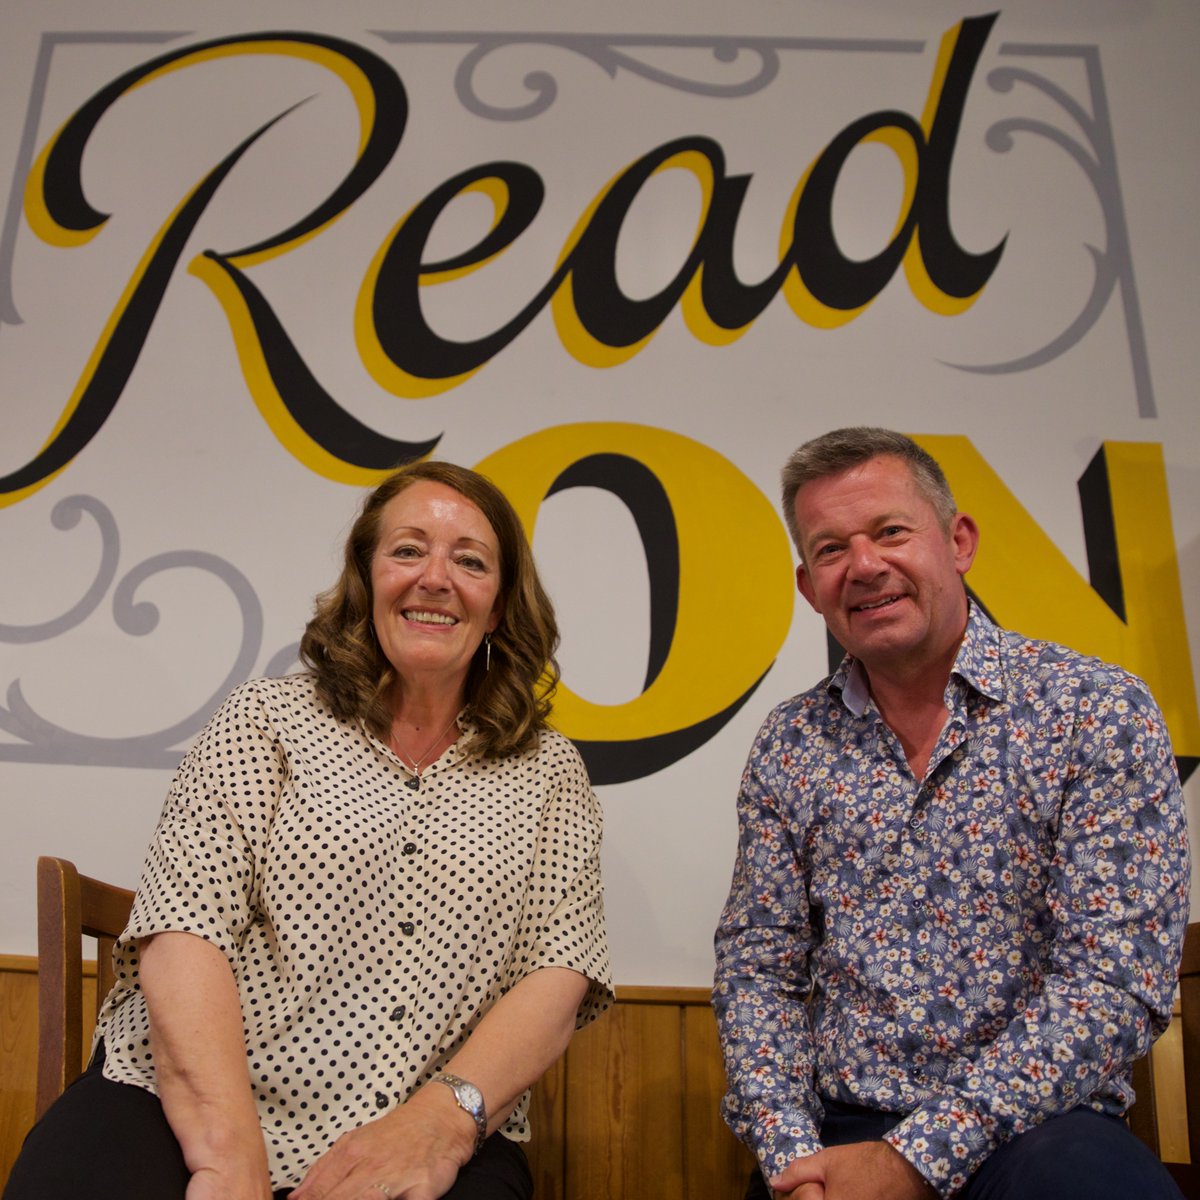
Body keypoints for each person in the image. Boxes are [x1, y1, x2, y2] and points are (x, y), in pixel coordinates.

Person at [6, 461, 612, 1200]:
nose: (435, 577)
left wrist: (439, 1124)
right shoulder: (264, 721)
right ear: (367, 581)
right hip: (184, 1101)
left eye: (471, 561)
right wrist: (229, 1157)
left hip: (418, 1121)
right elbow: (183, 933)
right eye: (407, 550)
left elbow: (557, 973)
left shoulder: (549, 773)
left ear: (498, 608)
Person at [713, 427, 1189, 1200]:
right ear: (809, 587)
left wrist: (913, 1159)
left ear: (958, 541)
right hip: (842, 1130)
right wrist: (791, 1156)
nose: (864, 566)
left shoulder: (1094, 708)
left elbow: (1114, 982)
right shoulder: (790, 744)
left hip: (1043, 1131)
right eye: (831, 549)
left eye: (891, 531)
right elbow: (756, 971)